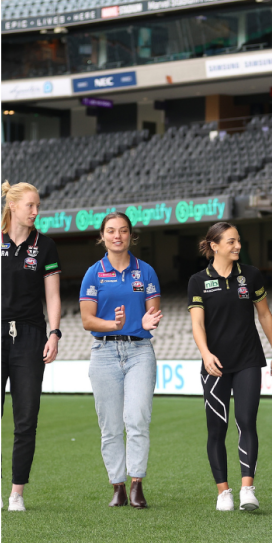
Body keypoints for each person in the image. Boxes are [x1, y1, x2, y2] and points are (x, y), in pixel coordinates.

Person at [187, 222, 272, 512]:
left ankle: (247, 489)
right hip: (214, 365)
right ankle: (223, 492)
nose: (237, 246)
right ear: (214, 245)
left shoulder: (251, 275)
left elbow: (265, 315)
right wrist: (205, 354)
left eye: (238, 240)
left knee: (246, 421)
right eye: (231, 242)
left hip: (248, 361)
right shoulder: (198, 280)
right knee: (216, 429)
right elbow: (197, 323)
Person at [79, 212, 164, 509]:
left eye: (123, 231)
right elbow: (87, 320)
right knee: (111, 426)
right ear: (102, 236)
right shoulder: (93, 273)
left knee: (137, 418)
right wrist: (113, 325)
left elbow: (153, 311)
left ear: (131, 236)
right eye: (111, 231)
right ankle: (117, 486)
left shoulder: (146, 271)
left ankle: (137, 483)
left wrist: (148, 319)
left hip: (140, 352)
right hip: (103, 354)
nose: (118, 236)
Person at [1, 182, 62, 512]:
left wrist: (54, 333)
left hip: (29, 336)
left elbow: (52, 296)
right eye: (30, 205)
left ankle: (16, 494)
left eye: (38, 205)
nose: (36, 211)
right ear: (12, 207)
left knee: (26, 419)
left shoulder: (46, 246)